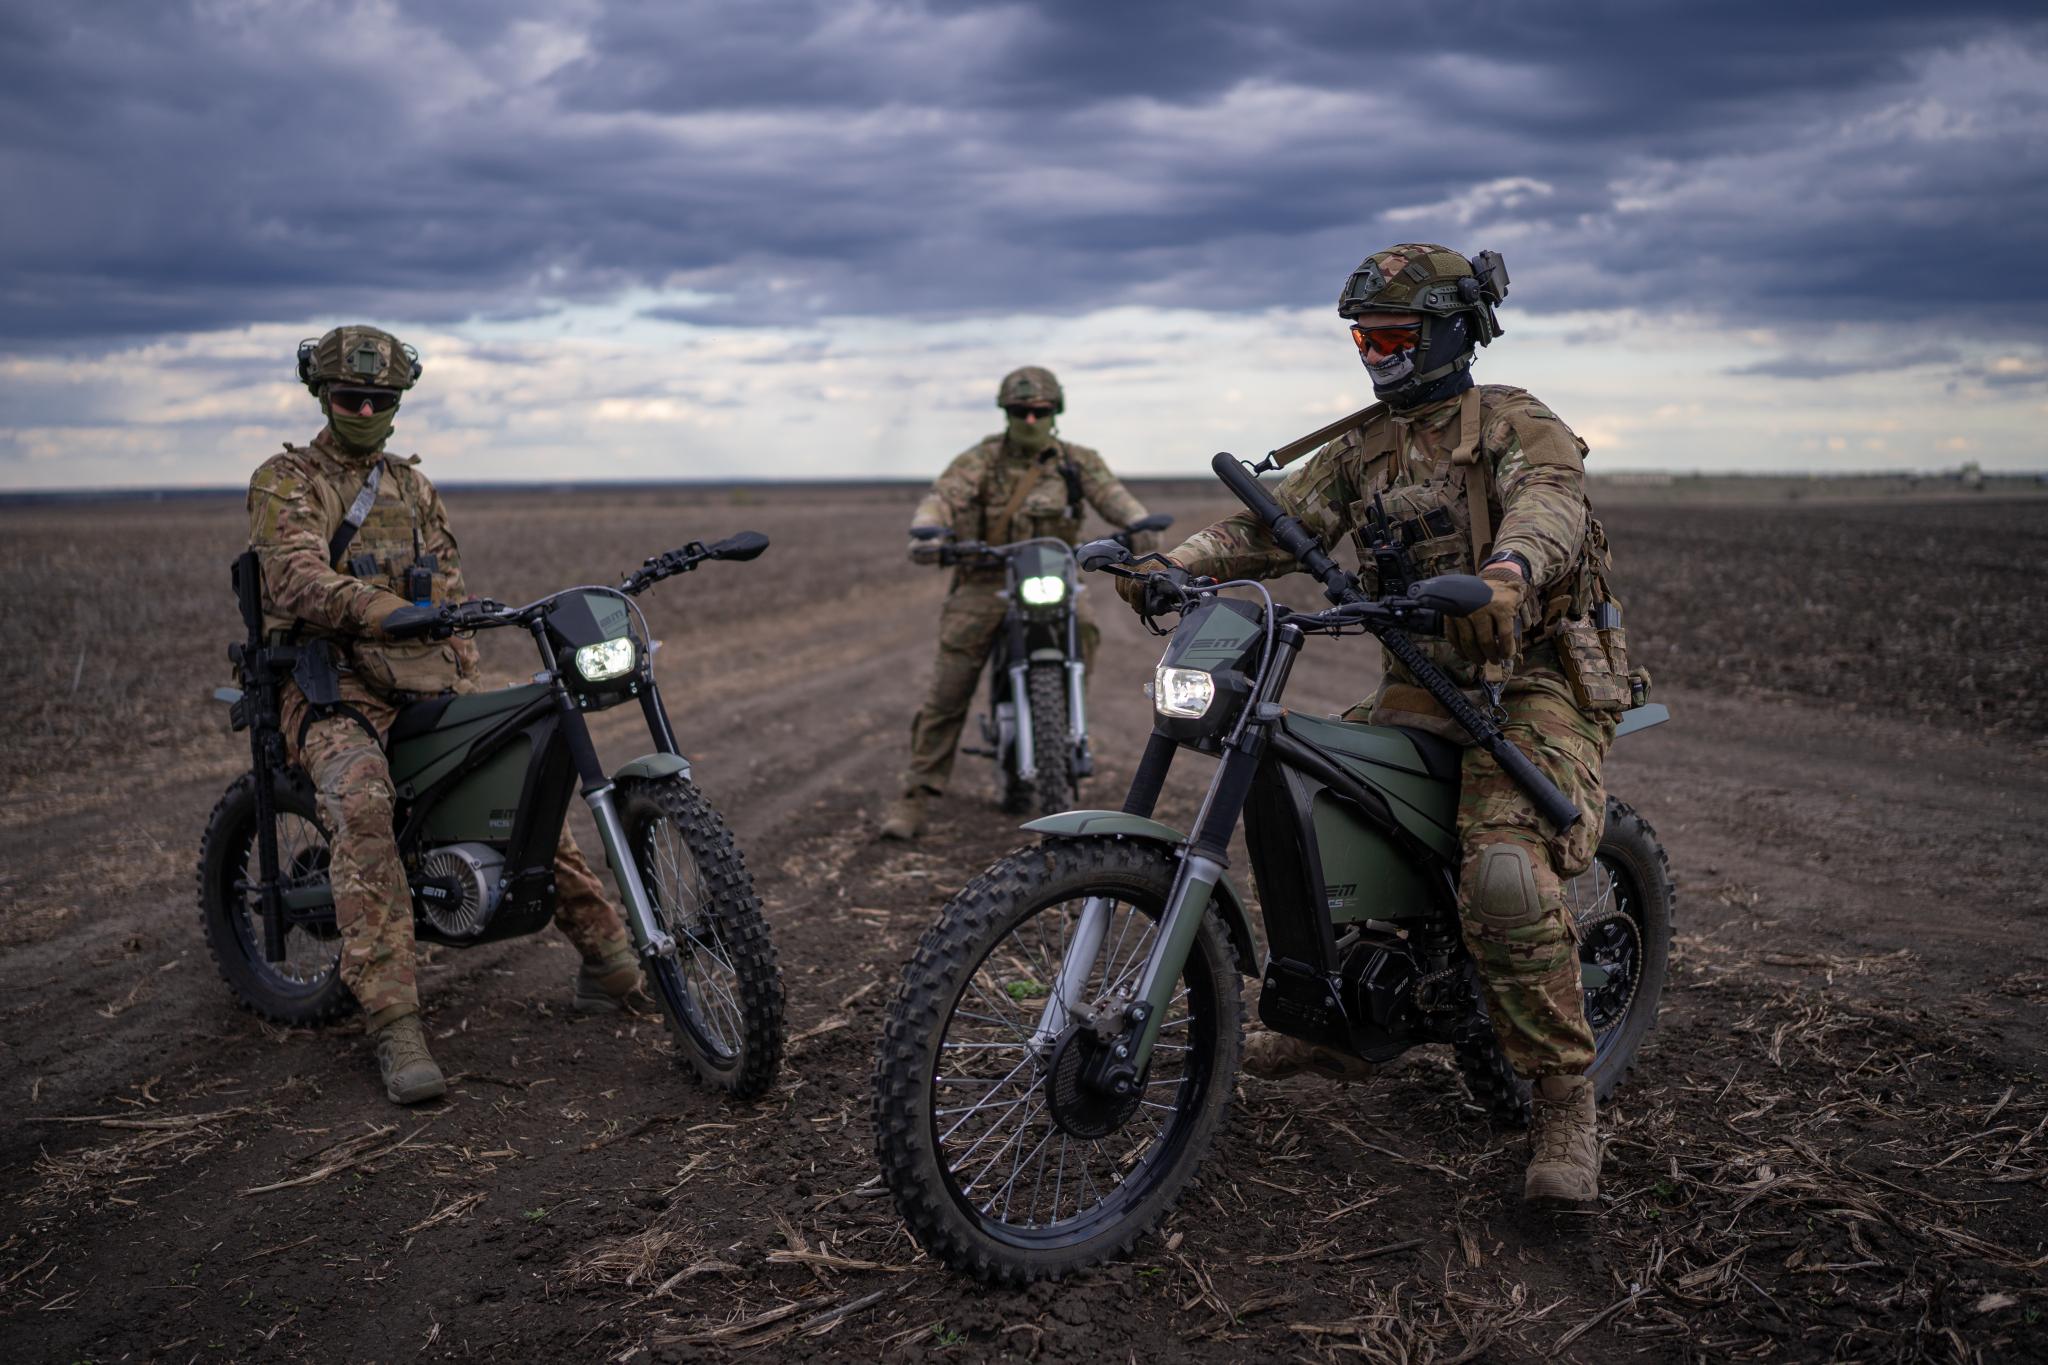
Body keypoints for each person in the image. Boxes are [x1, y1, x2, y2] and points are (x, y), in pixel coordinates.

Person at [1119, 246, 1632, 1205]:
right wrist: (1173, 563)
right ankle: (1337, 1021)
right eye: (1364, 337)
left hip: (1536, 682)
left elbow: (1552, 506)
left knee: (1505, 870)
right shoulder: (1364, 448)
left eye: (1394, 336)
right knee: (1308, 798)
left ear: (1448, 330)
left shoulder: (1517, 423)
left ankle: (1565, 1098)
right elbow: (1272, 528)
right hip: (1423, 684)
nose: (1377, 355)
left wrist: (1508, 573)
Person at [246, 325, 646, 1106]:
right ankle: (394, 1021)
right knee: (362, 802)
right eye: (349, 396)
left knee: (522, 787)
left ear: (400, 401)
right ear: (320, 395)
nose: (364, 408)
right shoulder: (284, 479)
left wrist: (457, 669)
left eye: (380, 398)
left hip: (423, 682)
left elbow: (451, 593)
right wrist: (383, 613)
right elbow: (293, 580)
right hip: (325, 687)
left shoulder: (414, 486)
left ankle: (611, 962)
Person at [879, 366, 1155, 840]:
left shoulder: (1077, 462)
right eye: (1020, 411)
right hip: (986, 580)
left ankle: (1063, 726)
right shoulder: (981, 461)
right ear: (1005, 413)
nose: (1030, 420)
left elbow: (1115, 498)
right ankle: (915, 797)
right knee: (949, 689)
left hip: (1054, 576)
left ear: (1055, 412)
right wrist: (929, 530)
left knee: (1086, 626)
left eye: (1040, 411)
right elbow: (943, 497)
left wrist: (1138, 523)